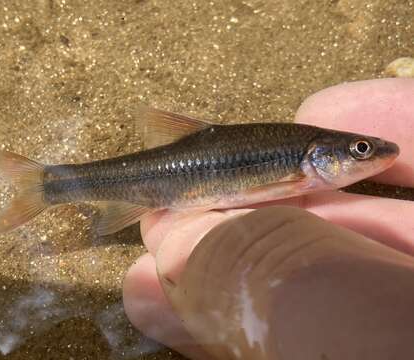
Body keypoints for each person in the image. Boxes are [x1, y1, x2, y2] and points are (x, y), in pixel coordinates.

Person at [123, 78, 414, 359]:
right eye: (361, 150)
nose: (378, 155)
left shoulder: (303, 166)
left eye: (362, 149)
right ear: (317, 156)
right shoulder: (299, 168)